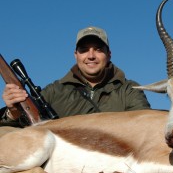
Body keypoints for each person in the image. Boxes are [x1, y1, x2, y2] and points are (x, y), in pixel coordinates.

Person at [1, 26, 151, 126]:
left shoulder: (129, 90)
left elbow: (144, 125)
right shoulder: (54, 91)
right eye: (84, 50)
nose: (91, 56)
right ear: (76, 55)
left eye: (98, 50)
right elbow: (23, 127)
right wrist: (13, 112)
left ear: (108, 55)